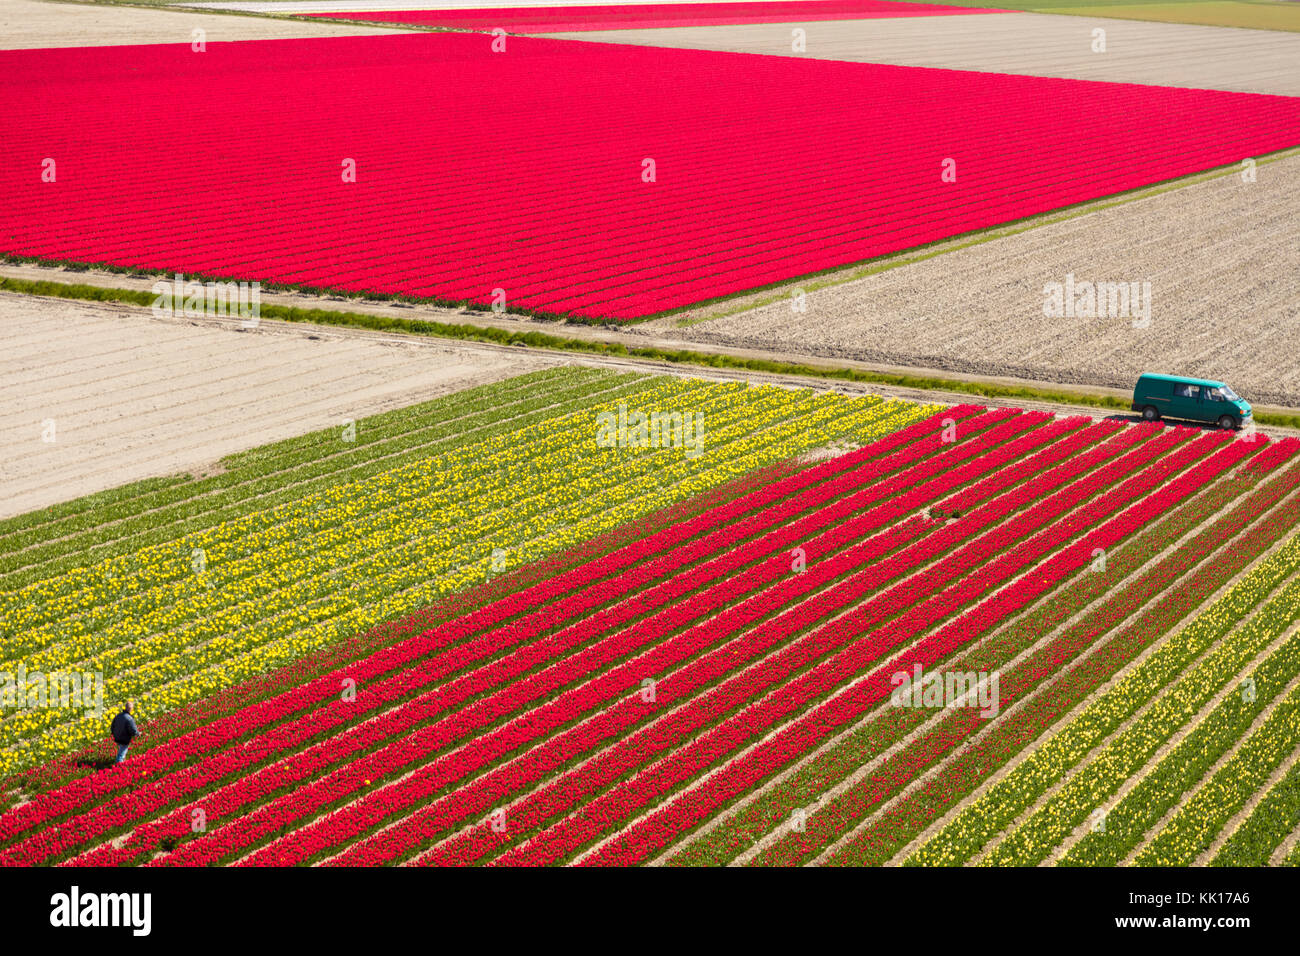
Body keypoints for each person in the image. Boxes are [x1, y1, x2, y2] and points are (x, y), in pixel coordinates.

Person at [110, 701, 139, 765]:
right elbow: (133, 729)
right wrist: (137, 734)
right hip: (124, 738)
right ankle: (119, 765)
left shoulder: (118, 716)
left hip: (117, 736)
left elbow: (112, 725)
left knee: (121, 749)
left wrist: (113, 733)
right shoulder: (129, 718)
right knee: (122, 753)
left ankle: (123, 761)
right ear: (131, 709)